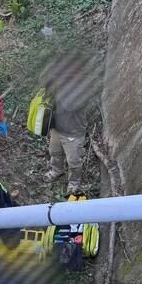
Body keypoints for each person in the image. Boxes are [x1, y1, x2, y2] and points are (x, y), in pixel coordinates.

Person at [39, 51, 100, 194]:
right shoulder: (58, 82)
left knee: (73, 161)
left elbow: (69, 104)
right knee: (54, 152)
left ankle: (74, 182)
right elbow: (43, 83)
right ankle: (56, 170)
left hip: (73, 132)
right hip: (57, 128)